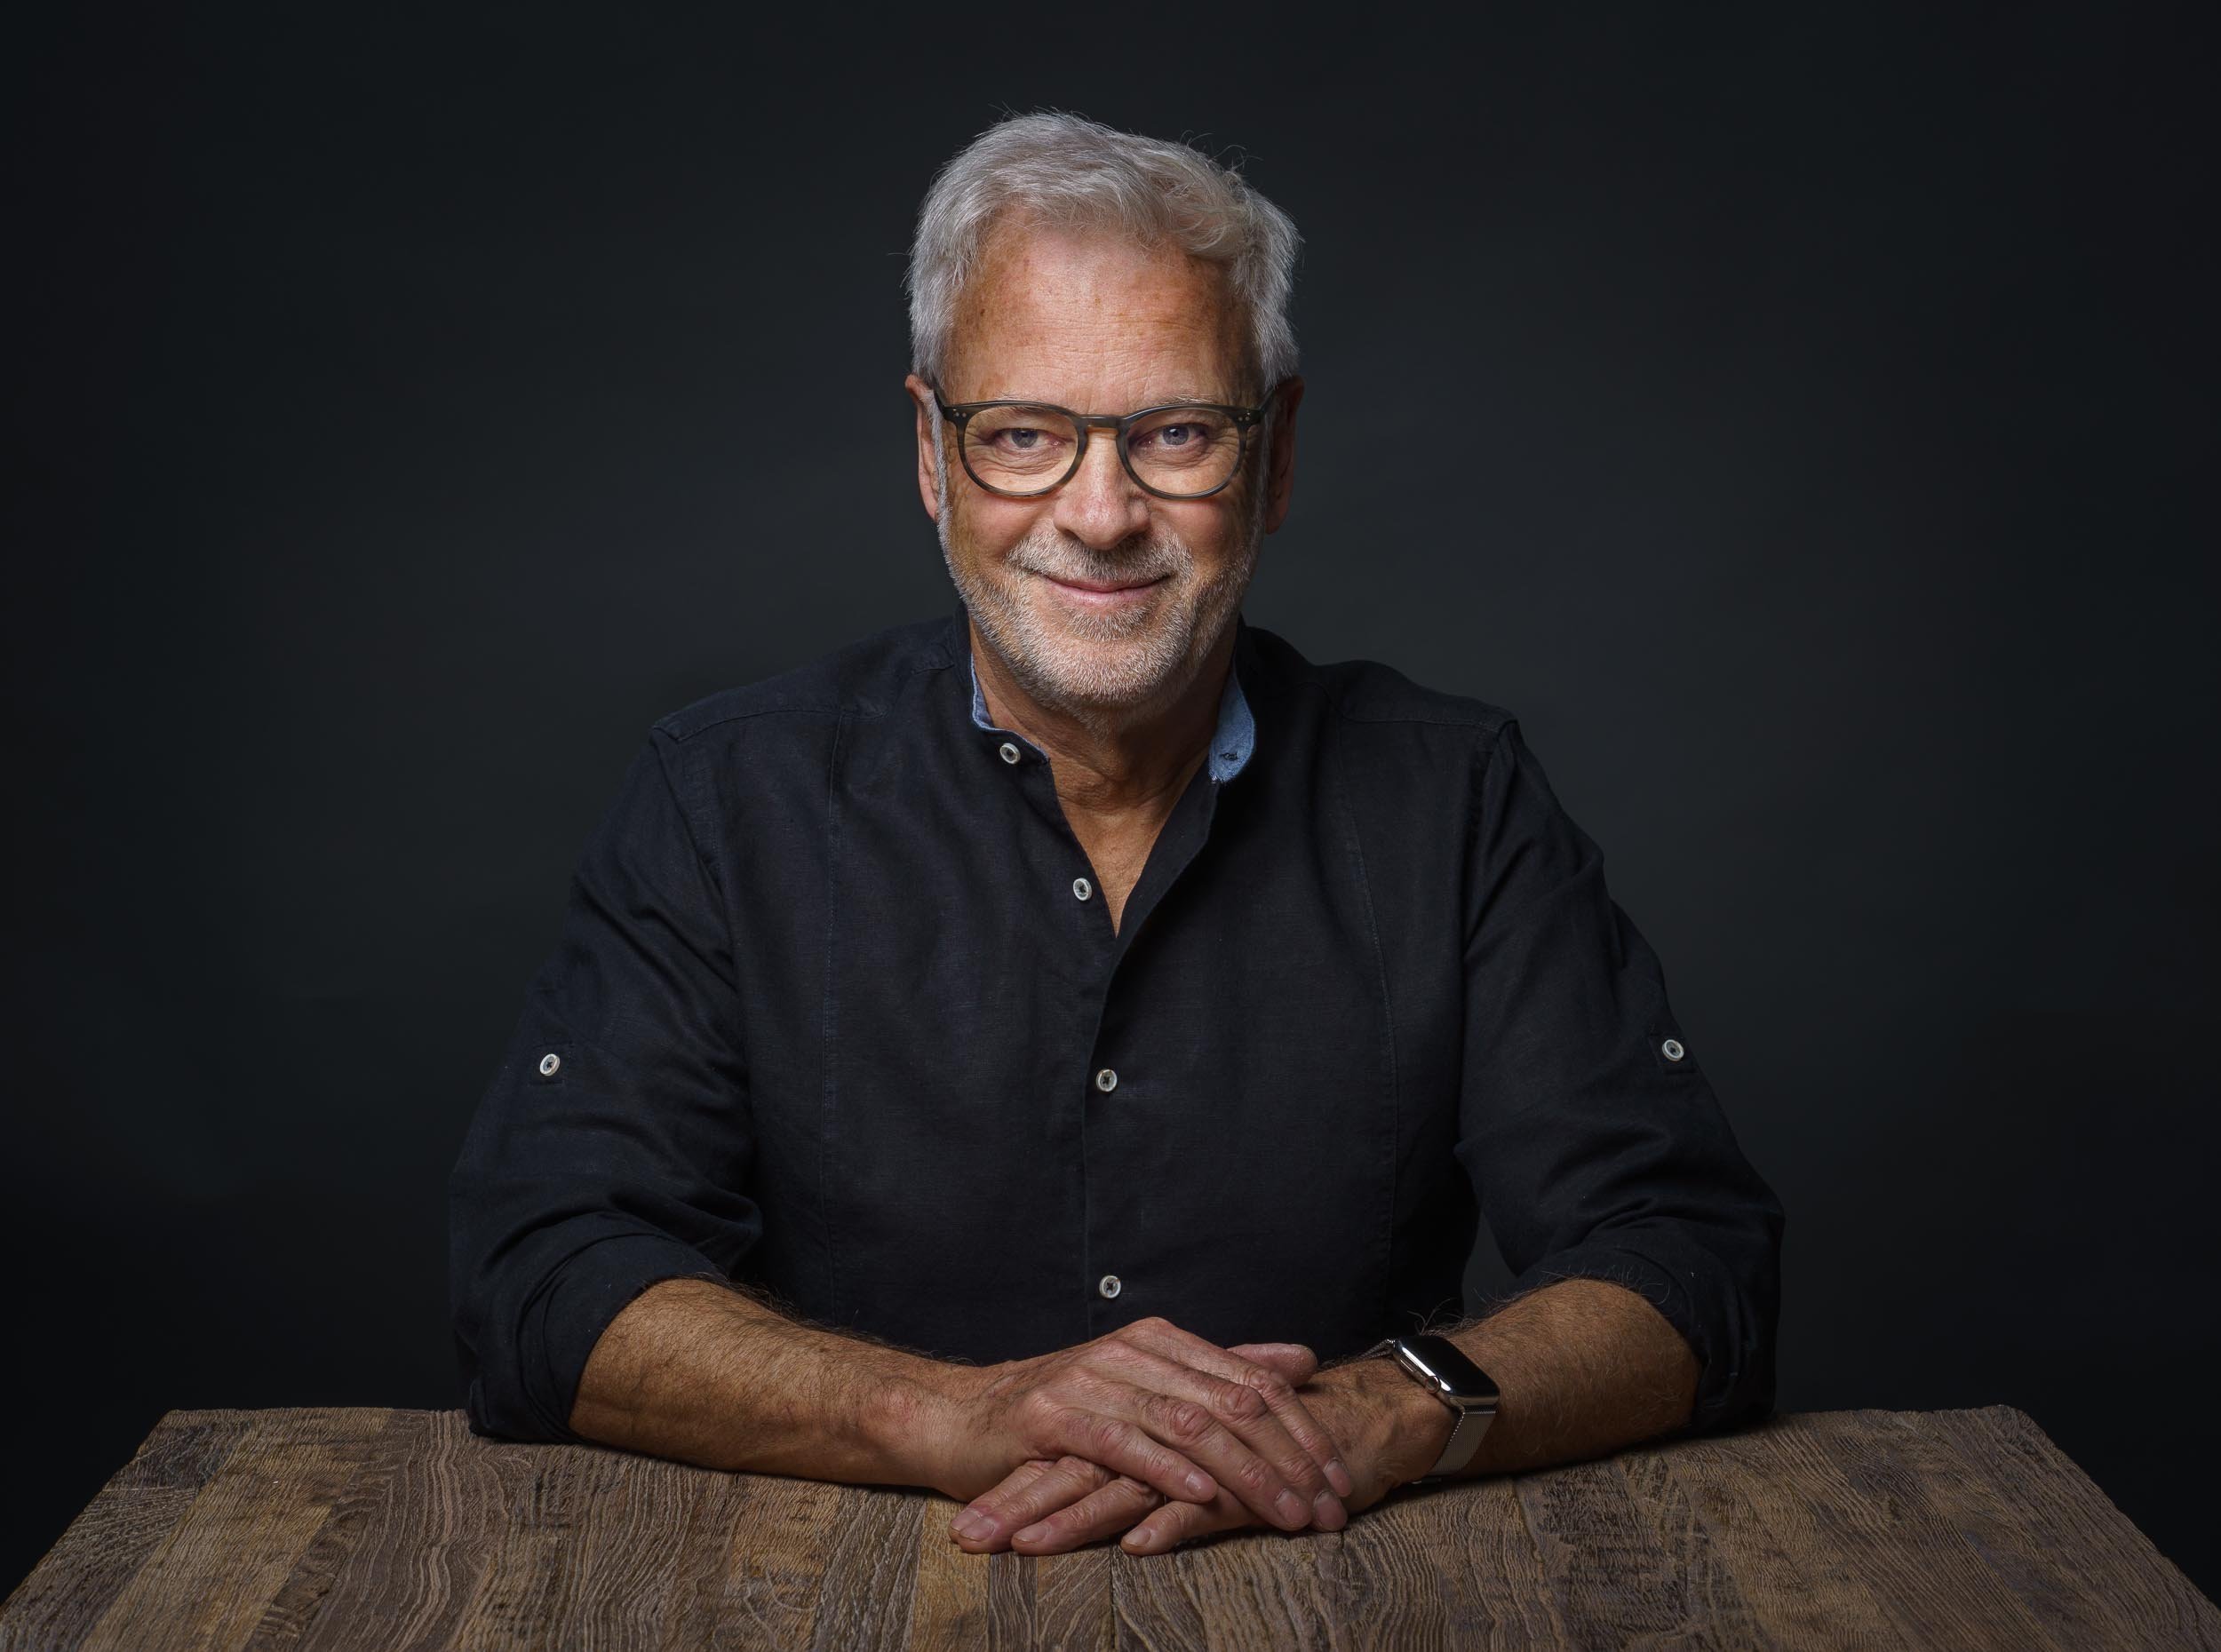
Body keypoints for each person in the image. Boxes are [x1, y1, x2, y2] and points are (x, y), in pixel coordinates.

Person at [447, 110, 1784, 1559]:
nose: (1100, 514)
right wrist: (945, 1412)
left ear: (1274, 459)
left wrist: (1375, 1417)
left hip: (1338, 1585)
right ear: (932, 454)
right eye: (1023, 435)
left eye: (1177, 434)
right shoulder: (722, 800)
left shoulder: (1454, 801)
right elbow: (545, 1276)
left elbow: (1688, 1258)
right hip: (829, 1596)